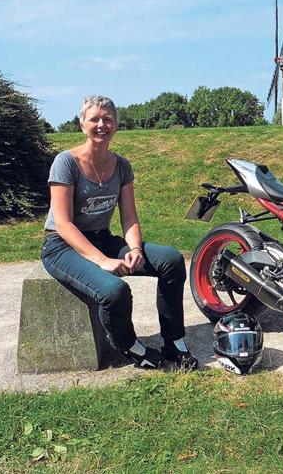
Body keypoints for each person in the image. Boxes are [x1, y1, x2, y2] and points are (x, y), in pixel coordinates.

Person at [41, 95, 198, 370]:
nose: (102, 125)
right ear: (82, 124)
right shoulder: (65, 163)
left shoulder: (122, 165)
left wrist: (135, 249)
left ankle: (175, 342)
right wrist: (102, 261)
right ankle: (130, 346)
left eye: (108, 119)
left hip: (102, 237)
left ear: (116, 125)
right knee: (115, 291)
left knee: (171, 260)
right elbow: (63, 224)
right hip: (61, 246)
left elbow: (129, 217)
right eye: (95, 119)